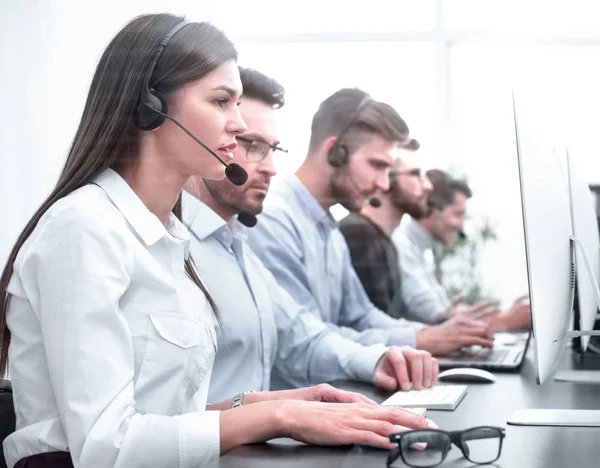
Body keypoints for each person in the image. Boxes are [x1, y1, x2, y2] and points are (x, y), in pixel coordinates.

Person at [0, 14, 434, 468]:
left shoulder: (170, 237)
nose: (237, 122)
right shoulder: (83, 228)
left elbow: (166, 422)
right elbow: (106, 445)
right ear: (150, 107)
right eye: (222, 101)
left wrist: (279, 408)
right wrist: (277, 416)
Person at [183, 67, 439, 404]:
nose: (272, 167)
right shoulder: (258, 225)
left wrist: (380, 357)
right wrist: (422, 339)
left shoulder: (238, 243)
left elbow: (303, 335)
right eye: (254, 146)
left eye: (273, 149)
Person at [246, 88, 495, 358]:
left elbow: (362, 316)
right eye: (377, 166)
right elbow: (305, 341)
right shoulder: (272, 223)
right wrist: (420, 341)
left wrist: (429, 334)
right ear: (334, 153)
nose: (384, 184)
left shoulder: (329, 230)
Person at [393, 169, 531, 330]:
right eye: (457, 214)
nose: (461, 225)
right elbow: (433, 315)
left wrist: (496, 315)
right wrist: (505, 322)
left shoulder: (422, 250)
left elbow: (443, 310)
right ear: (432, 211)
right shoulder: (401, 245)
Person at [339, 147, 434, 319]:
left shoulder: (384, 240)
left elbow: (393, 319)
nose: (428, 186)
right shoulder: (359, 235)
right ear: (385, 178)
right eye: (416, 174)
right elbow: (368, 326)